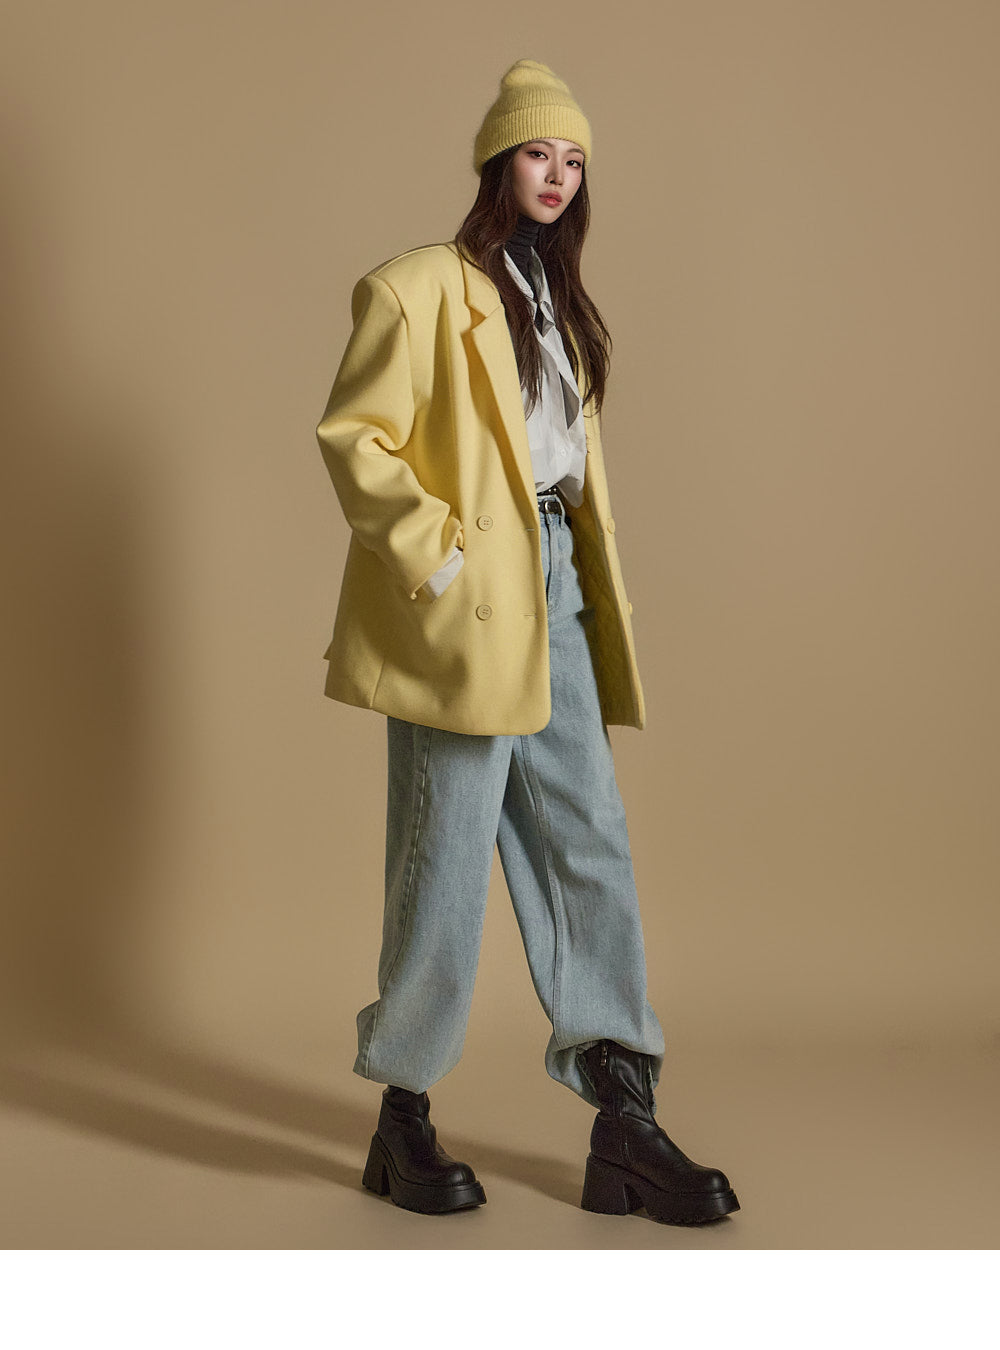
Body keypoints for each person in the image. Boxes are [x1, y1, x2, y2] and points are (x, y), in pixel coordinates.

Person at [315, 58, 740, 1226]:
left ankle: (623, 1117)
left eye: (575, 160)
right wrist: (440, 557)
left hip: (553, 586)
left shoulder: (557, 301)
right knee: (445, 853)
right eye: (539, 153)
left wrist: (560, 571)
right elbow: (356, 437)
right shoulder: (417, 287)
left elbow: (557, 461)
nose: (558, 175)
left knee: (587, 836)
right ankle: (403, 1112)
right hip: (463, 600)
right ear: (497, 161)